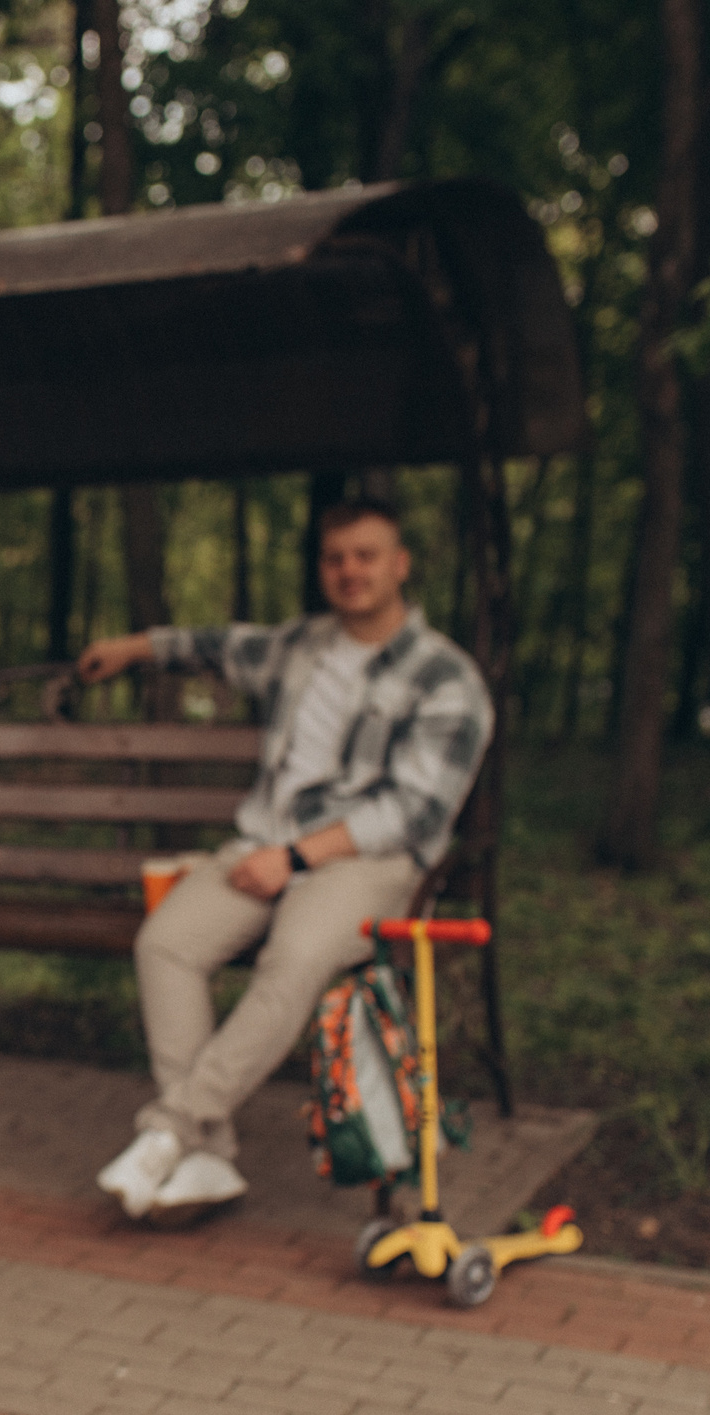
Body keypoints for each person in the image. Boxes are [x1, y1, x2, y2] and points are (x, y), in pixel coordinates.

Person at [73, 498, 493, 1225]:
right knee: (165, 943)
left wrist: (295, 857)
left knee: (294, 960)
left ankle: (171, 1129)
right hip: (263, 846)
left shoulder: (447, 679)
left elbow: (413, 812)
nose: (349, 571)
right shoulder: (300, 645)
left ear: (400, 564)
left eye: (366, 555)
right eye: (335, 558)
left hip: (367, 860)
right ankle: (208, 1156)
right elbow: (214, 643)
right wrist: (133, 647)